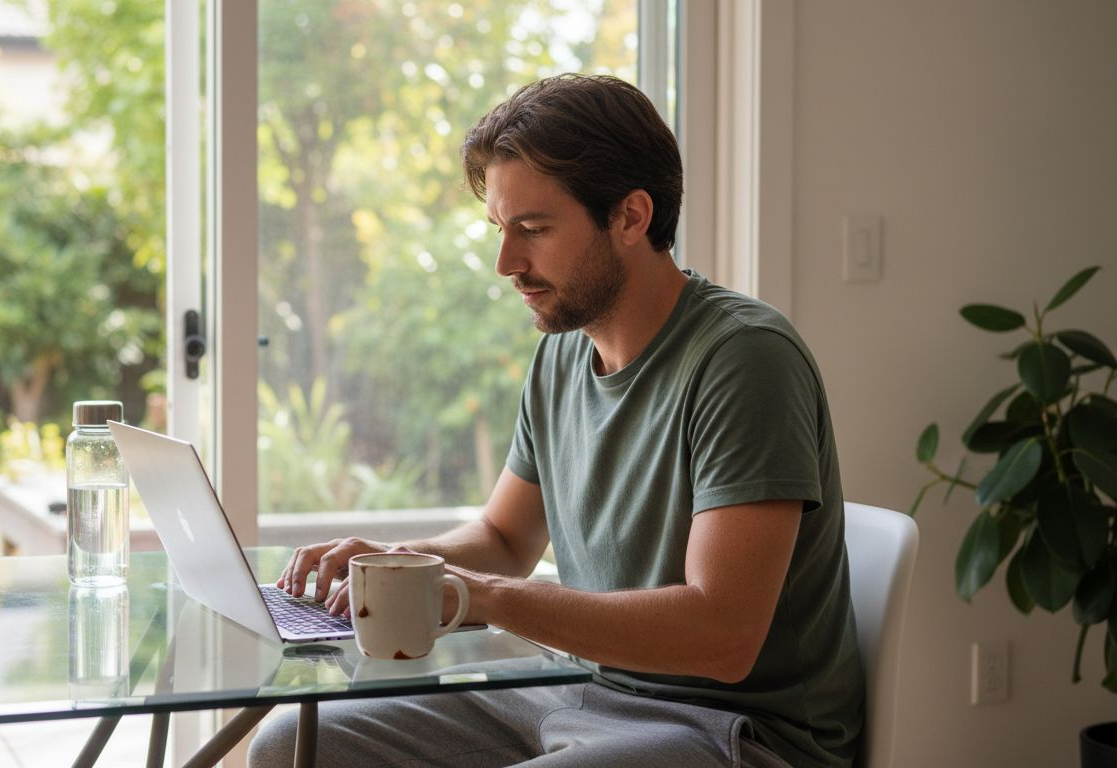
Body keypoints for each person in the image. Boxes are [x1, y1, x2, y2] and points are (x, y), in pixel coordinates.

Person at [249, 73, 863, 768]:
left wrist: (487, 598)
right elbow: (504, 536)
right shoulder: (563, 354)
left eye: (534, 230)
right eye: (501, 231)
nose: (507, 263)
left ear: (631, 217)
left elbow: (721, 635)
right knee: (293, 745)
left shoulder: (745, 360)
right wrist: (400, 565)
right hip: (583, 692)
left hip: (729, 731)